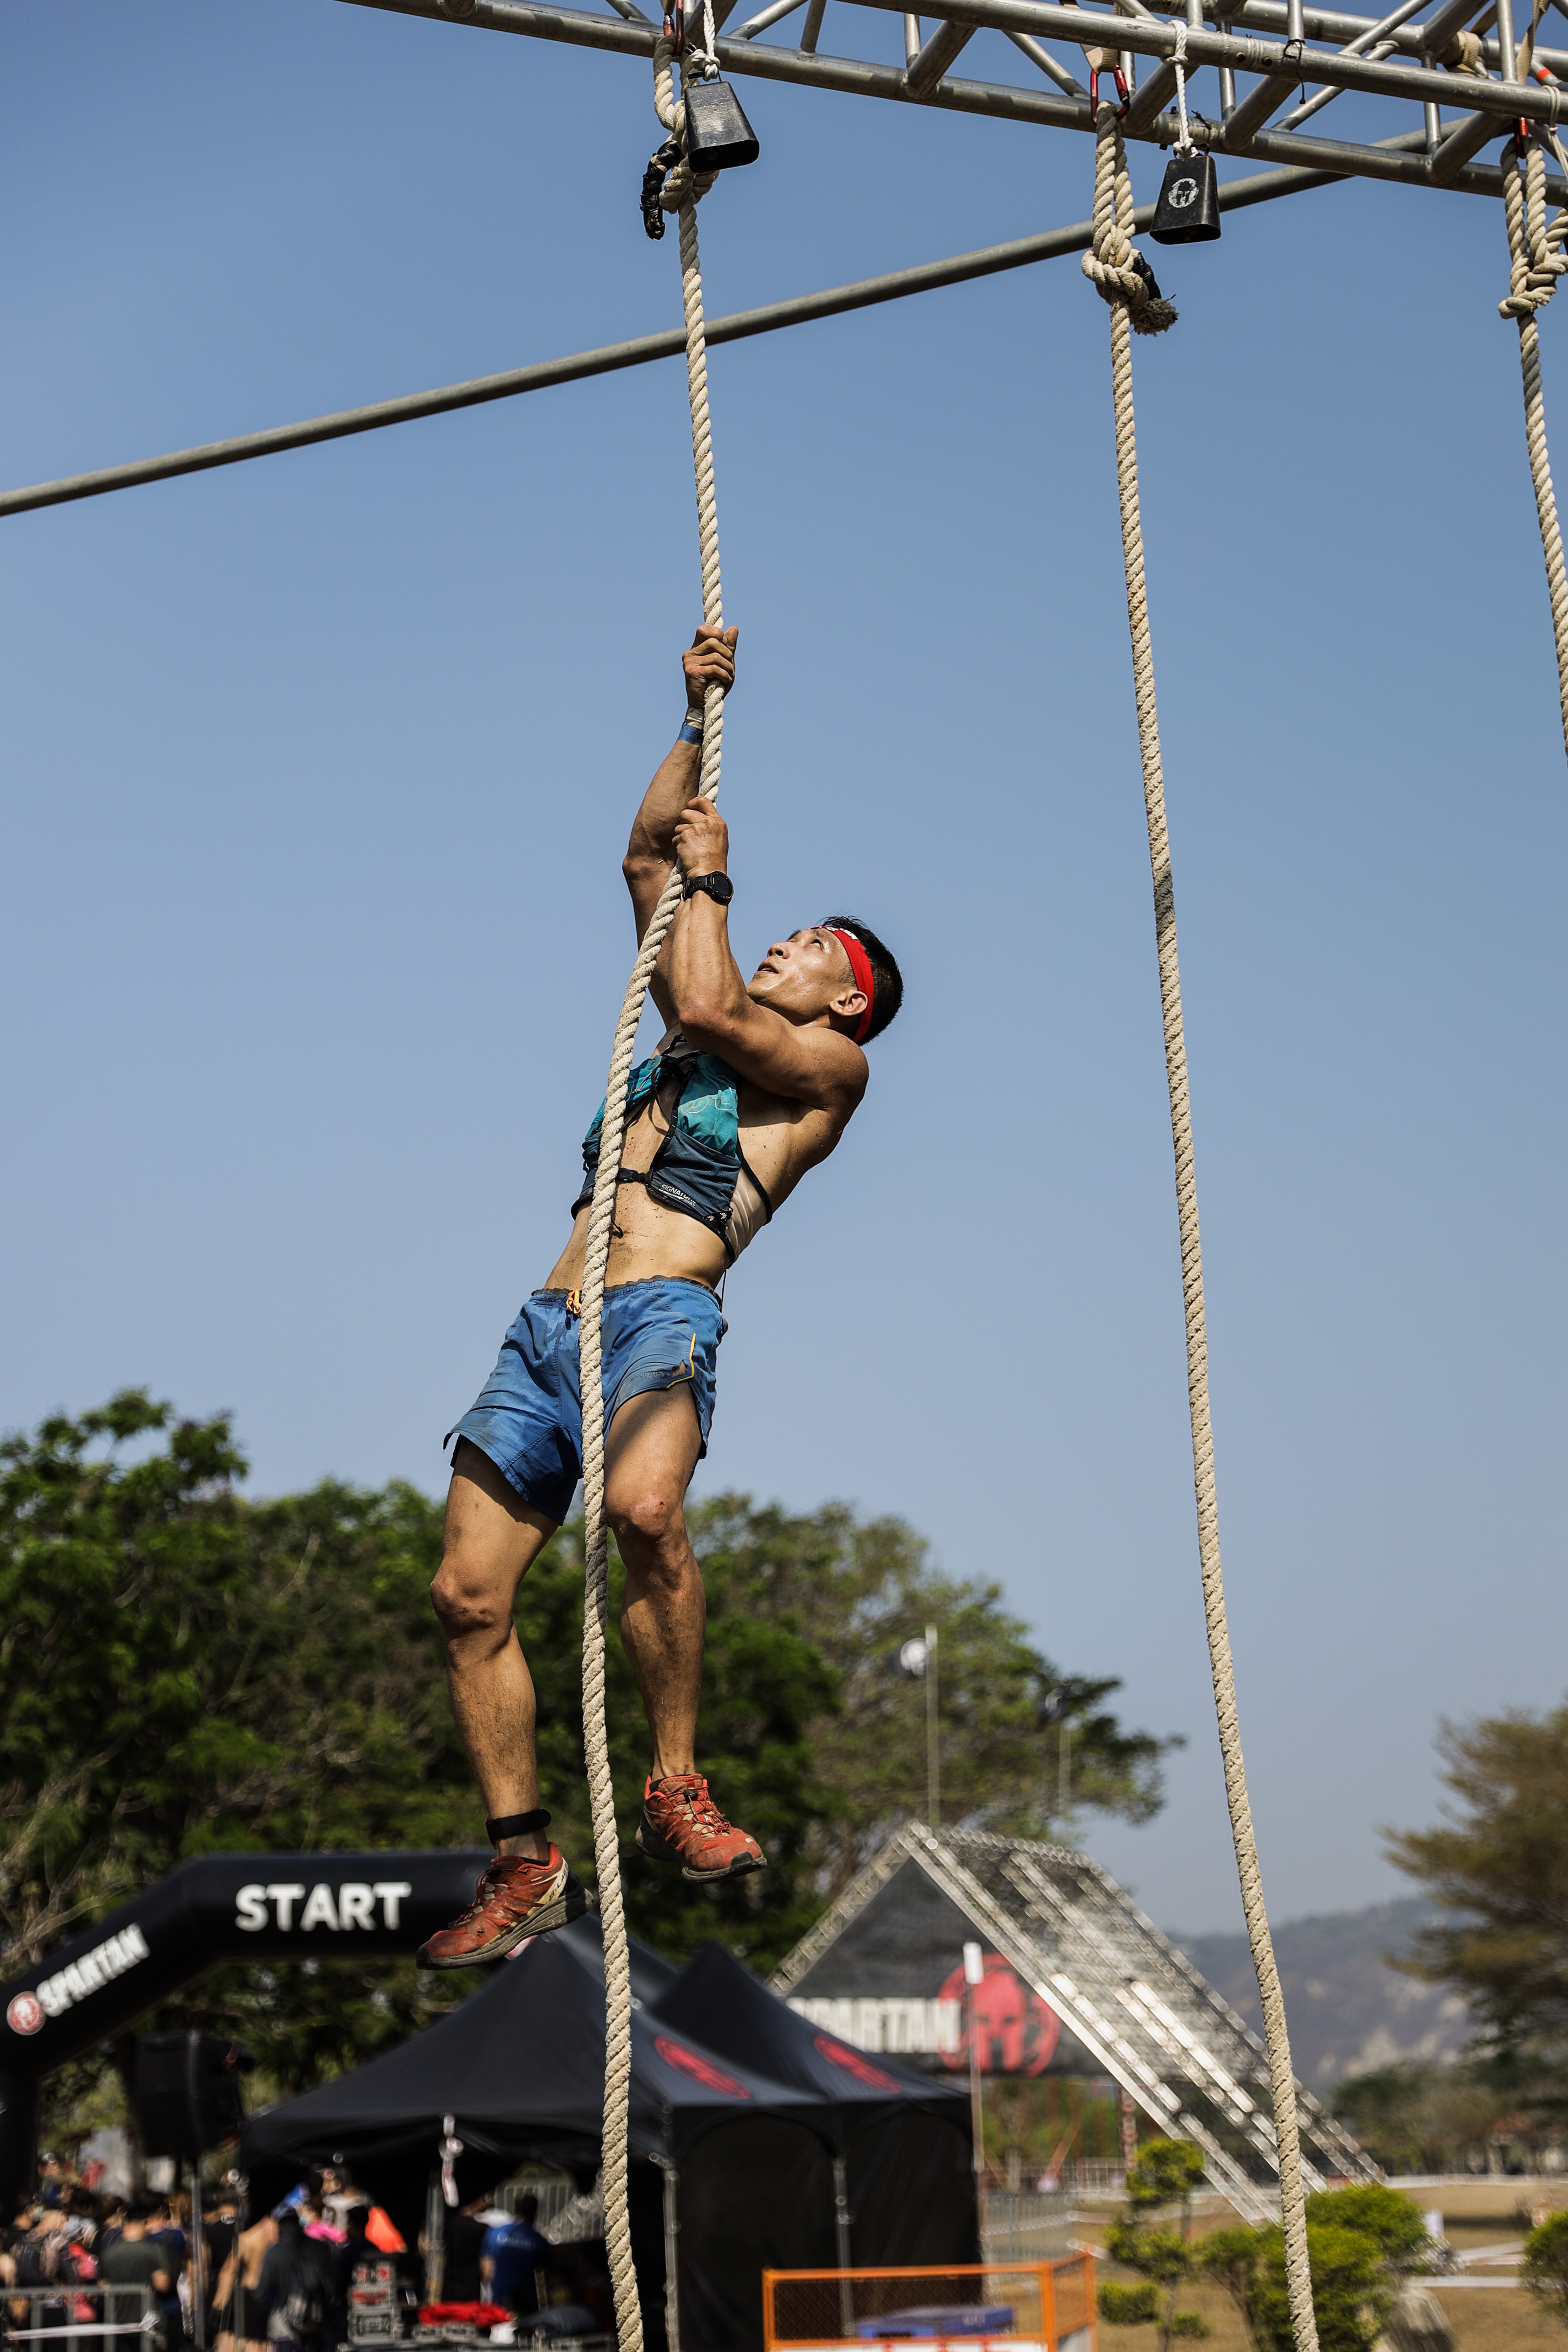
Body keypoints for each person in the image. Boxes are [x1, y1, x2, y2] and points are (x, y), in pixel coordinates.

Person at [421, 623, 905, 1965]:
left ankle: (677, 1782)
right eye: (784, 930)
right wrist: (695, 717)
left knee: (644, 1510)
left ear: (848, 1004)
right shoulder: (700, 971)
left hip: (657, 1314)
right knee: (465, 1596)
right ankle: (524, 1859)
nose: (786, 942)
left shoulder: (825, 1073)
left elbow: (700, 1007)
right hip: (551, 1324)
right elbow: (646, 858)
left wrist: (720, 878)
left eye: (814, 946)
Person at [99, 2201, 172, 2348]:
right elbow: (162, 2285)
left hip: (117, 2325)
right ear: (143, 2224)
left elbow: (103, 2287)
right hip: (147, 2323)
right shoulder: (154, 2250)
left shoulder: (108, 2253)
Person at [479, 2200, 550, 2322]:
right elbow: (547, 2274)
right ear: (535, 2213)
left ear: (516, 2210)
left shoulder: (495, 2232)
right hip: (526, 2301)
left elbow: (486, 2269)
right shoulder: (538, 2240)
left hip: (500, 2297)